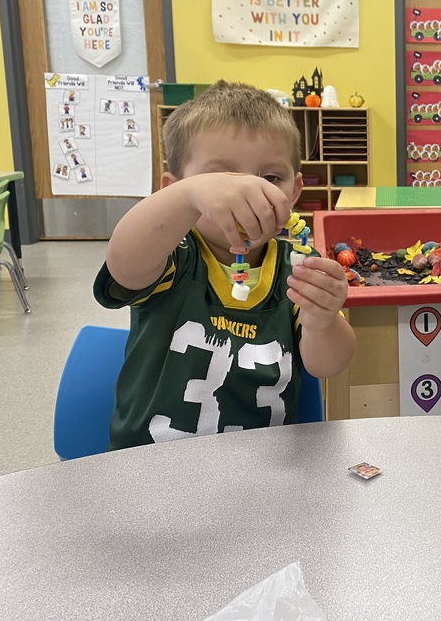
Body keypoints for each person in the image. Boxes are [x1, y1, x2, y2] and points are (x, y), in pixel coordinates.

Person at [94, 80, 355, 450]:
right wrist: (191, 196)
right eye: (221, 178)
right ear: (174, 188)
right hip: (151, 471)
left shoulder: (297, 268)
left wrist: (323, 320)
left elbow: (329, 365)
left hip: (263, 470)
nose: (247, 193)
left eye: (270, 178)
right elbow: (124, 264)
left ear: (294, 192)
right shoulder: (173, 252)